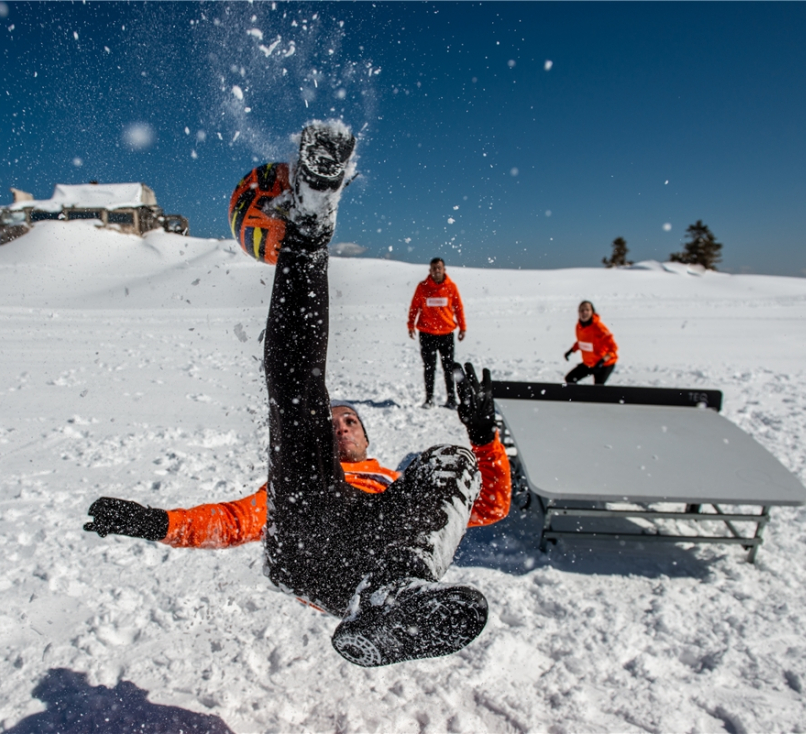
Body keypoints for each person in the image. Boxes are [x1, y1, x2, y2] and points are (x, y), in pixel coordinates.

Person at [84, 121, 512, 667]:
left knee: (448, 460)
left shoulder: (395, 488)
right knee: (298, 392)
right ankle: (311, 218)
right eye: (335, 420)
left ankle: (396, 598)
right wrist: (155, 524)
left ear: (366, 435)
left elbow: (491, 506)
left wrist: (482, 438)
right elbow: (232, 521)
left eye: (350, 419)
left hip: (386, 554)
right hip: (311, 543)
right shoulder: (312, 469)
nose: (341, 423)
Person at [407, 258, 467, 409]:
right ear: (430, 270)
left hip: (446, 334)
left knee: (448, 367)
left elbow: (458, 308)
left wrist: (462, 327)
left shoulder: (451, 287)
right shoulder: (422, 287)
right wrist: (411, 325)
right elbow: (414, 307)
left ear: (444, 269)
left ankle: (451, 399)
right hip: (427, 334)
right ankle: (429, 399)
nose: (437, 270)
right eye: (434, 268)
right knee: (429, 367)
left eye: (439, 268)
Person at [564, 300, 618, 385]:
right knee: (570, 379)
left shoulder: (599, 328)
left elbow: (613, 348)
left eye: (587, 310)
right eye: (581, 310)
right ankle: (576, 397)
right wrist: (571, 350)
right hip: (589, 363)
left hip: (604, 364)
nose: (584, 312)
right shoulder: (579, 327)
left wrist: (601, 362)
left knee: (597, 387)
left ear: (592, 312)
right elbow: (581, 342)